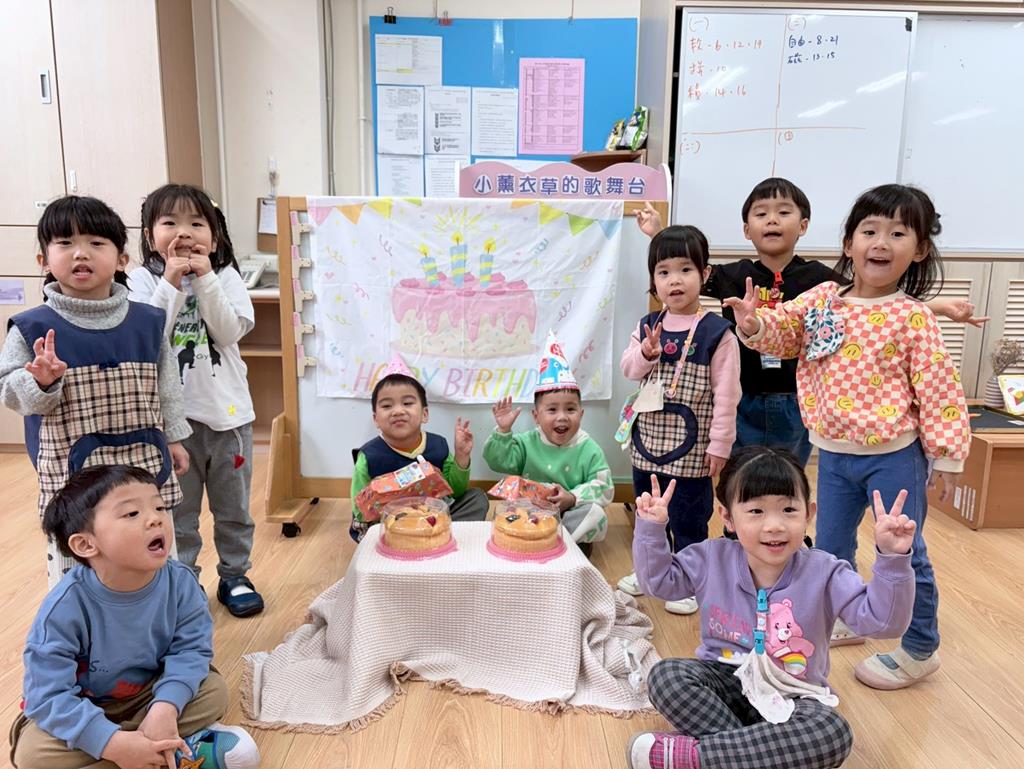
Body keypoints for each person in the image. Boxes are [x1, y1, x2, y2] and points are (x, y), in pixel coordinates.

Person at [726, 183, 969, 688]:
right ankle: (848, 615)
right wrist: (753, 325)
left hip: (894, 456)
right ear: (848, 243)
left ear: (919, 249)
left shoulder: (913, 317)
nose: (880, 242)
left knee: (902, 549)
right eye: (869, 231)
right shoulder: (822, 299)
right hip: (833, 454)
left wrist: (945, 457)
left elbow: (940, 387)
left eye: (897, 234)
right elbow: (785, 332)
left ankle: (920, 646)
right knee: (832, 549)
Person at [635, 179, 987, 467]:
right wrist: (658, 234)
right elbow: (685, 274)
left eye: (784, 212)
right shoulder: (733, 275)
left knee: (788, 473)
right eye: (761, 213)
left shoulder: (820, 280)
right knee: (741, 475)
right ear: (747, 229)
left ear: (803, 225)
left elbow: (868, 303)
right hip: (742, 395)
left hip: (795, 398)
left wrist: (938, 306)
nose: (772, 220)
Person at [625, 447, 915, 769]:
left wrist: (892, 561)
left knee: (833, 732)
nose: (774, 525)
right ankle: (759, 754)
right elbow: (659, 583)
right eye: (756, 511)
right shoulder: (710, 558)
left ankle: (698, 757)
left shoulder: (827, 571)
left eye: (788, 509)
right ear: (727, 517)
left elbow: (883, 623)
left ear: (809, 514)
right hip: (724, 682)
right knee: (665, 676)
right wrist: (651, 530)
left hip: (795, 693)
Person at [9, 464, 259, 769]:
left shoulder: (181, 583)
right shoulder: (64, 608)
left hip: (148, 697)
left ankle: (145, 749)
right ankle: (171, 752)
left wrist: (165, 708)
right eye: (132, 513)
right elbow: (48, 696)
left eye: (159, 507)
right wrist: (111, 742)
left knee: (213, 692)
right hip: (83, 706)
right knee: (31, 754)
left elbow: (191, 651)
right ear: (86, 544)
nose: (156, 519)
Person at [0, 196, 190, 588]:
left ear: (122, 259)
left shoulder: (148, 322)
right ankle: (78, 627)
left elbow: (167, 384)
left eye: (96, 243)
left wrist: (174, 436)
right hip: (74, 479)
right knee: (77, 571)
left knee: (153, 559)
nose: (80, 253)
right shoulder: (31, 328)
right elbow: (10, 392)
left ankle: (159, 620)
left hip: (143, 464)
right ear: (43, 260)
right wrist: (41, 381)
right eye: (65, 243)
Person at [129, 183, 263, 618]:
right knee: (177, 511)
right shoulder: (142, 281)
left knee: (233, 509)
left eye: (196, 223)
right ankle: (183, 579)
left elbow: (228, 331)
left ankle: (235, 575)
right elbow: (147, 336)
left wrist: (204, 279)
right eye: (170, 222)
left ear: (215, 237)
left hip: (228, 418)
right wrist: (171, 281)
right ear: (150, 236)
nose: (183, 232)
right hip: (171, 425)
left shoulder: (226, 278)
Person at [617, 225, 741, 615]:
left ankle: (689, 578)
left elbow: (727, 395)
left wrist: (720, 445)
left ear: (704, 274)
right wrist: (646, 354)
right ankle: (648, 569)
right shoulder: (647, 325)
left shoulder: (717, 332)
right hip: (647, 443)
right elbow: (628, 370)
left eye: (685, 269)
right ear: (653, 280)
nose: (675, 280)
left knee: (689, 516)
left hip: (694, 449)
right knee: (647, 510)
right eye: (664, 271)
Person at [483, 332, 613, 549]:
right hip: (529, 513)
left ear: (581, 414)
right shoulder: (526, 442)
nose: (562, 417)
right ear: (536, 416)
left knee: (595, 513)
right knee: (504, 513)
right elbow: (497, 462)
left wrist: (572, 497)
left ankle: (557, 541)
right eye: (552, 410)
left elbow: (605, 487)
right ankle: (547, 540)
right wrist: (504, 431)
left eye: (570, 409)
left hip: (569, 515)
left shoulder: (589, 448)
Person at [349, 354, 489, 541]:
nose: (398, 411)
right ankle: (414, 542)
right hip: (392, 525)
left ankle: (436, 536)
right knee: (371, 533)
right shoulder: (370, 456)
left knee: (476, 498)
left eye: (407, 403)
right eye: (387, 406)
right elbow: (359, 510)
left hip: (434, 518)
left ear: (424, 414)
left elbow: (455, 491)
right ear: (376, 419)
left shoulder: (438, 445)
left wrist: (461, 457)